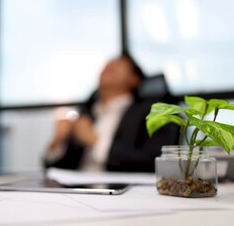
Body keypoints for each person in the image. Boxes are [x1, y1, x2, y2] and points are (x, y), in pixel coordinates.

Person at [44, 52, 179, 172]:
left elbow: (155, 161)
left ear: (134, 79)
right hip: (77, 192)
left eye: (118, 64)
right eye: (107, 64)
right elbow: (53, 167)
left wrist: (95, 142)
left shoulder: (152, 113)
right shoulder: (87, 113)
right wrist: (59, 141)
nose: (109, 65)